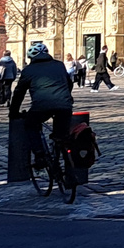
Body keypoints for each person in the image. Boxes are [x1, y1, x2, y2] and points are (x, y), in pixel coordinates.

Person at [8, 41, 74, 169]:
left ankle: (39, 155)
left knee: (31, 125)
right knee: (62, 135)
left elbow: (19, 92)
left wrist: (13, 112)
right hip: (64, 105)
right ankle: (66, 167)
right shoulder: (59, 65)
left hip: (41, 106)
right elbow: (69, 83)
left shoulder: (28, 70)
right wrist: (65, 97)